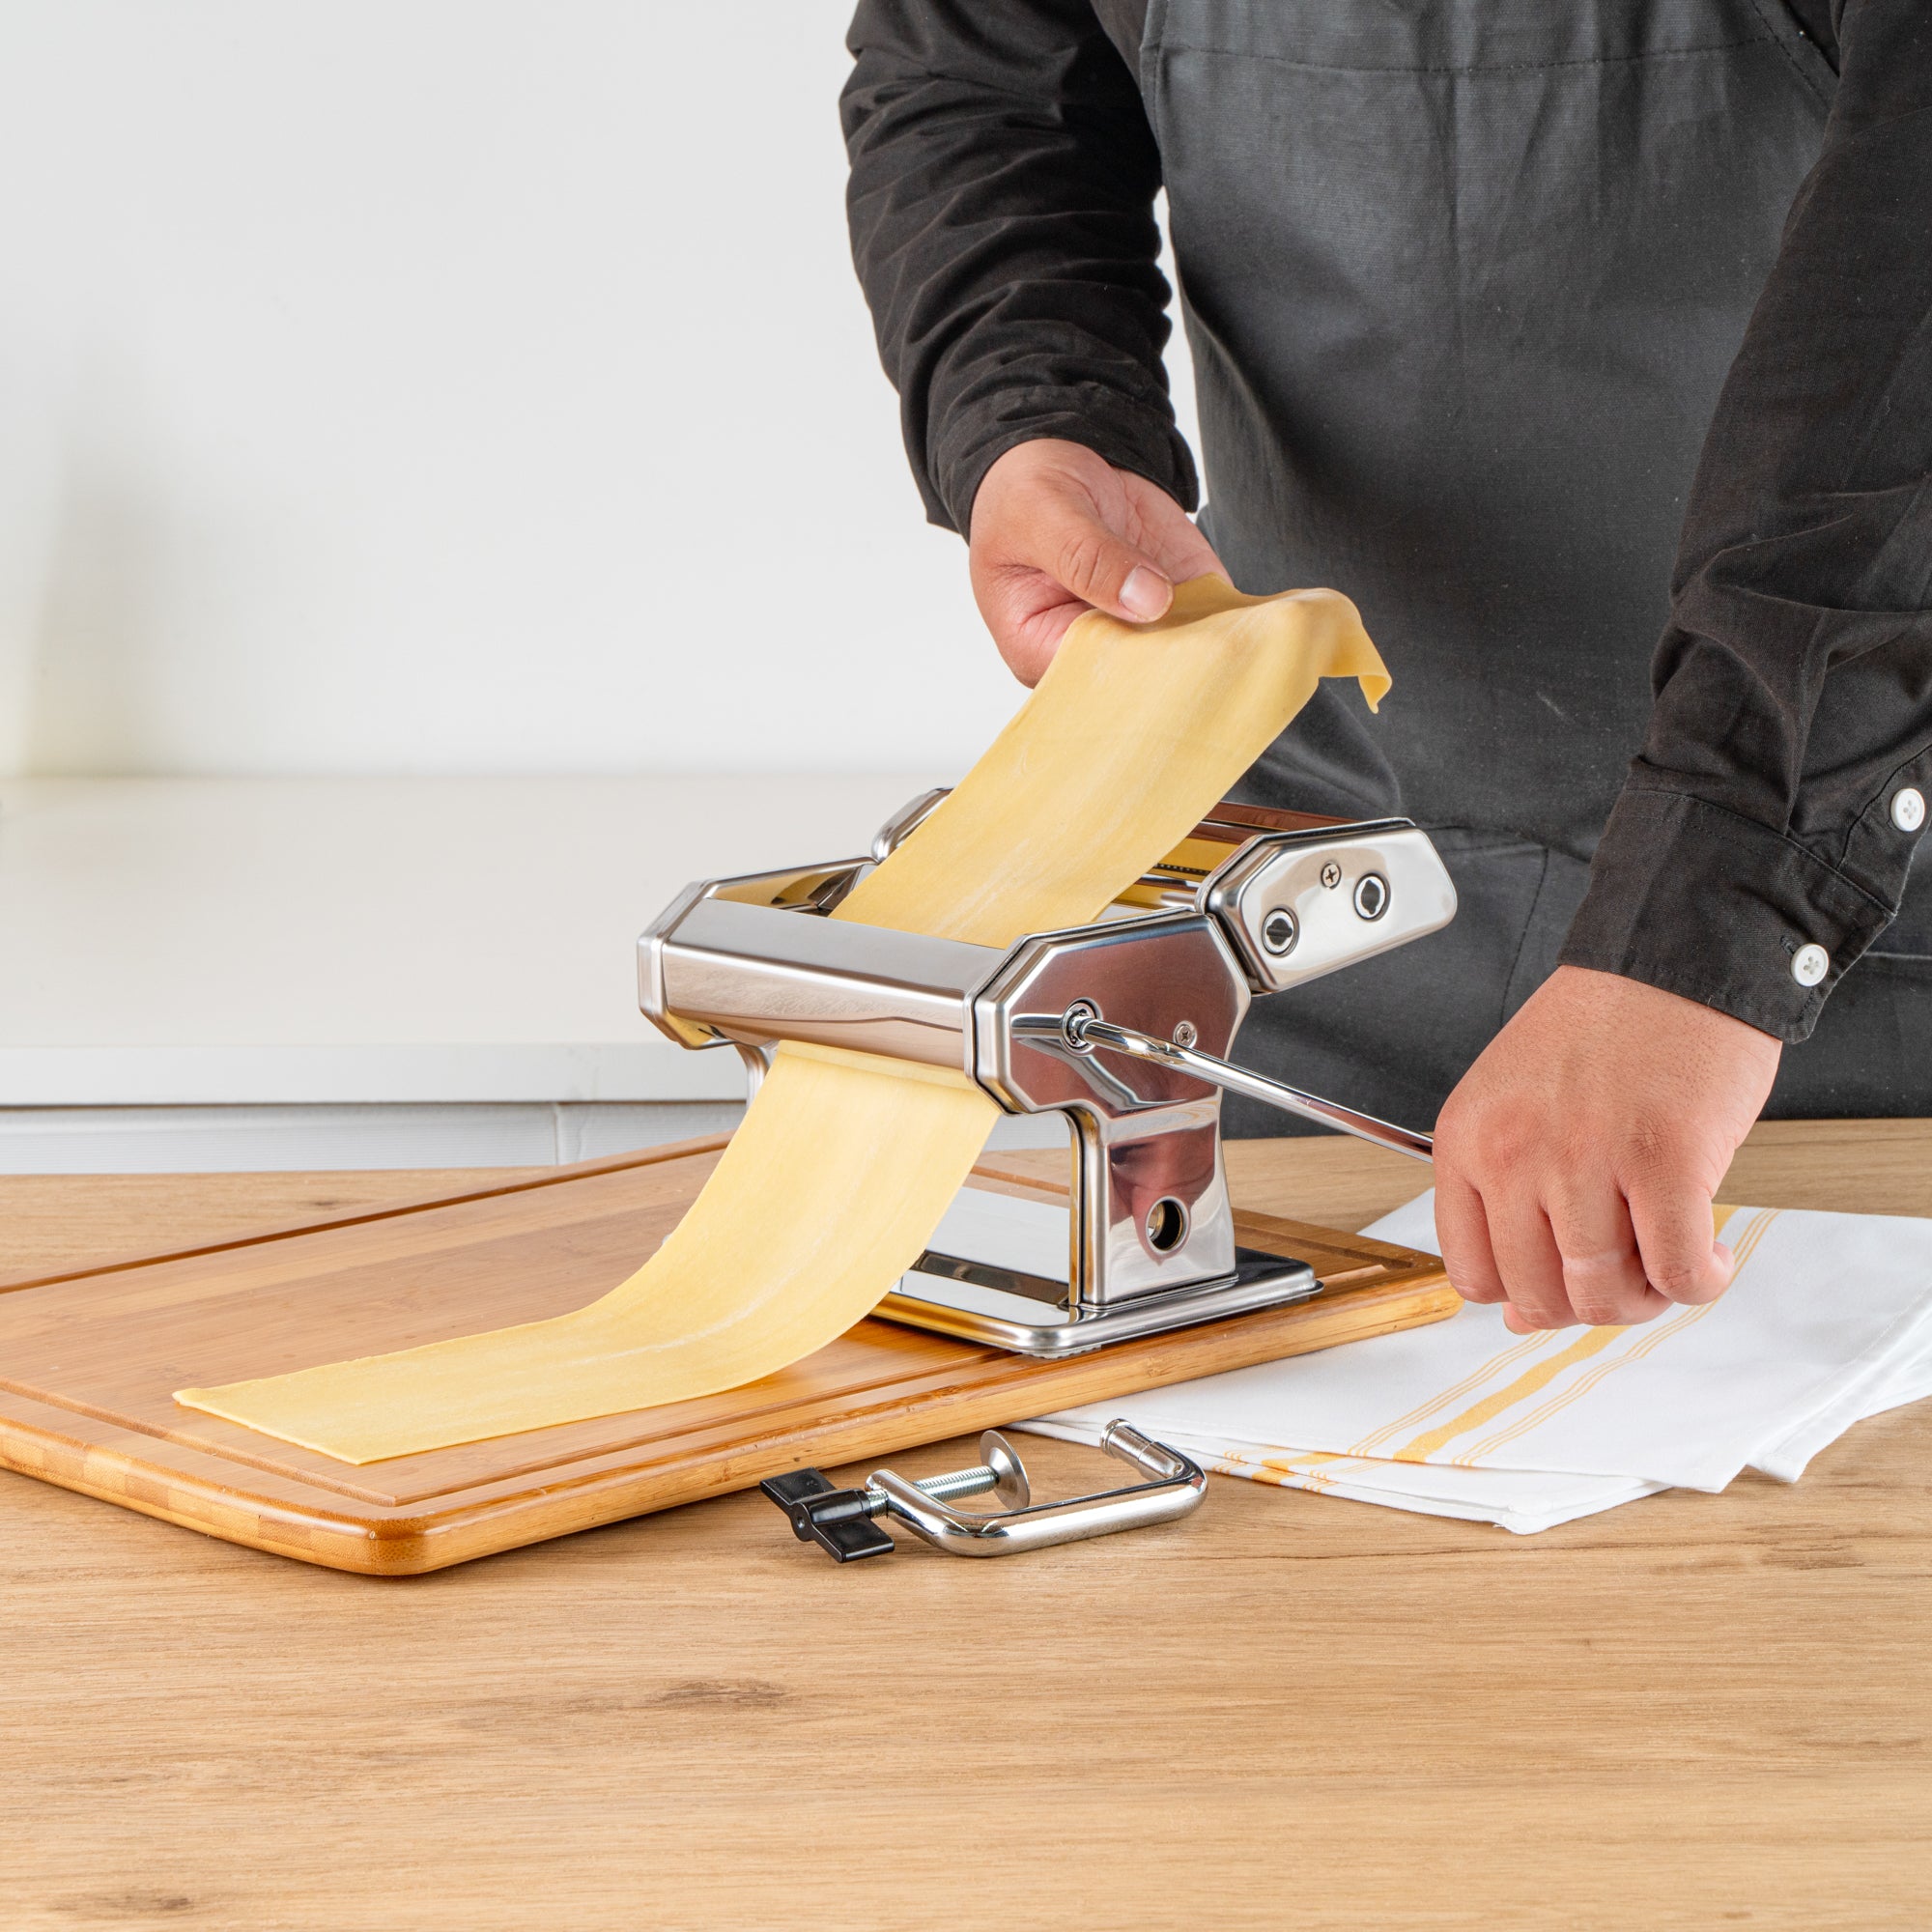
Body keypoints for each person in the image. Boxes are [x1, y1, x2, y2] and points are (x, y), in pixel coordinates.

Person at [840, 0, 1931, 1332]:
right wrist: (1034, 409)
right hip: (1310, 943)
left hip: (1861, 940)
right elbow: (979, 66)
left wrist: (1715, 917)